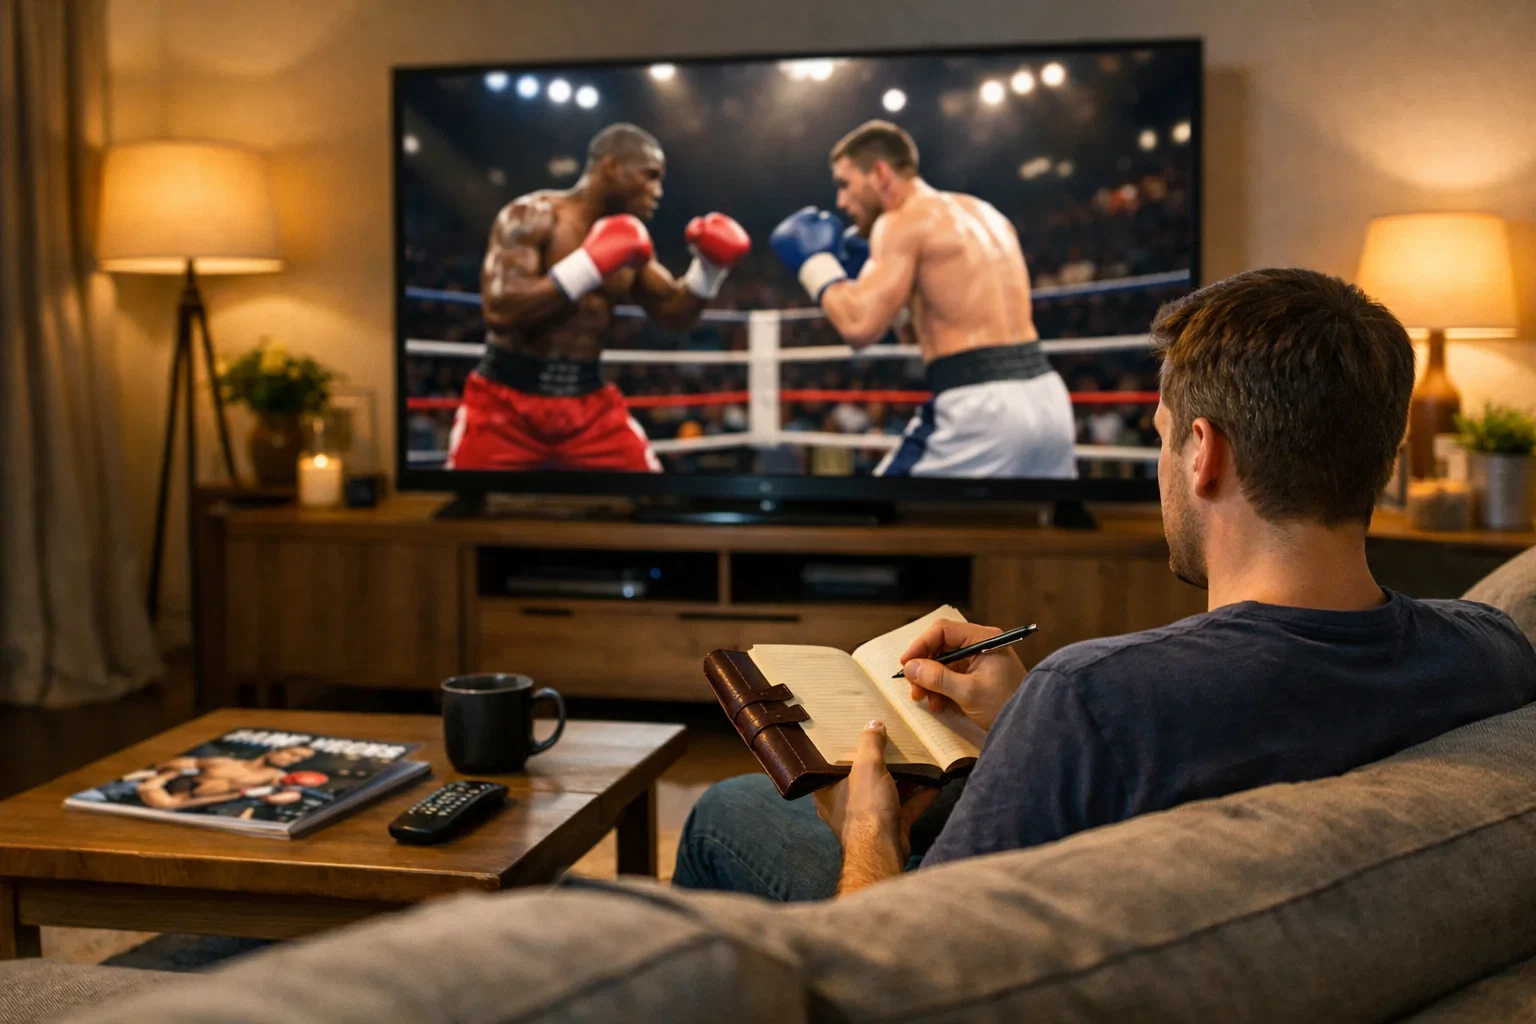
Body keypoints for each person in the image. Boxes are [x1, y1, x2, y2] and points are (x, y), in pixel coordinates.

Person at [673, 267, 1536, 900]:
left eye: (1162, 437)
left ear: (1203, 452)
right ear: (1384, 458)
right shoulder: (1492, 651)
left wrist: (866, 833)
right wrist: (1025, 723)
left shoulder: (1090, 695)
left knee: (727, 811)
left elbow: (905, 973)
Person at [769, 120, 1075, 479]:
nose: (841, 201)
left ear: (880, 174)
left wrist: (816, 264)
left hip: (981, 406)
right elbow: (920, 332)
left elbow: (858, 327)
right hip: (1049, 398)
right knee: (1027, 514)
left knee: (875, 507)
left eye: (844, 184)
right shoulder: (985, 213)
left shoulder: (901, 222)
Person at [447, 123, 751, 472]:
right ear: (611, 167)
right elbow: (500, 311)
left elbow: (673, 314)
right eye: (650, 176)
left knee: (651, 490)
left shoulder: (630, 241)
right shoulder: (532, 215)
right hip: (505, 404)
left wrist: (708, 271)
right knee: (463, 499)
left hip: (589, 406)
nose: (658, 192)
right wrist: (589, 265)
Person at [133, 745, 316, 811]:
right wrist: (165, 768)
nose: (293, 760)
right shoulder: (224, 762)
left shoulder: (278, 776)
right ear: (273, 751)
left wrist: (272, 796)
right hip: (182, 790)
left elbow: (292, 795)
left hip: (210, 806)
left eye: (299, 759)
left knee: (166, 804)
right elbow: (187, 762)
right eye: (292, 754)